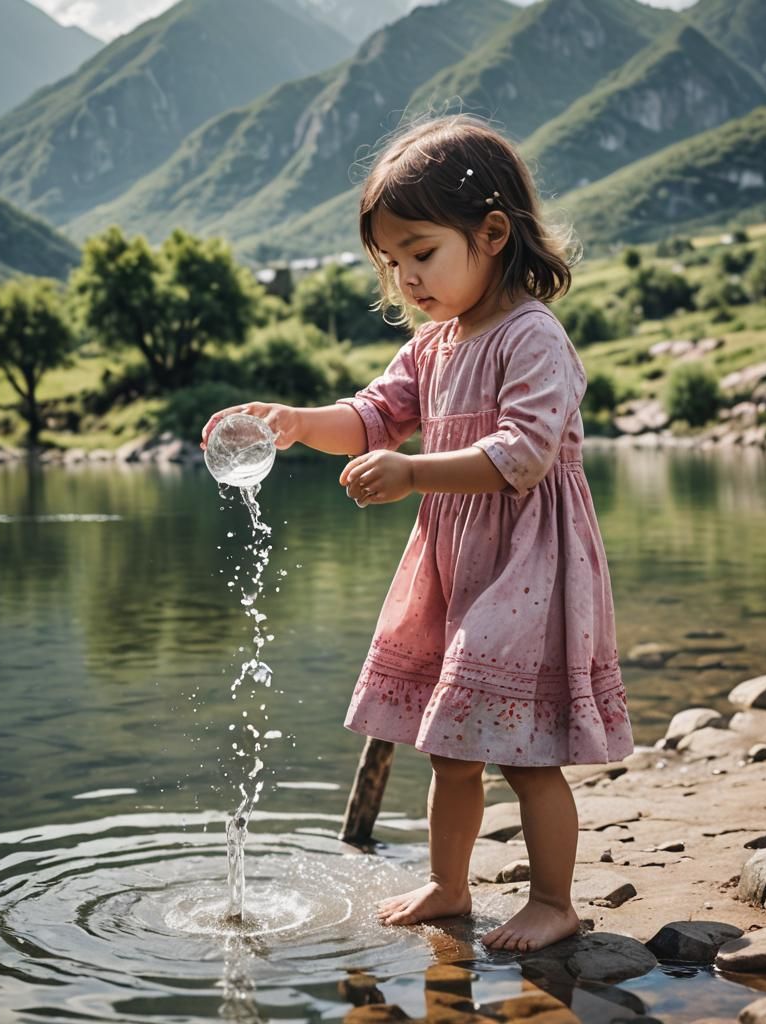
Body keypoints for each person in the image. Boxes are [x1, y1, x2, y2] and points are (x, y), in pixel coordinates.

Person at [201, 114, 633, 952]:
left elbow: (524, 454)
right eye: (392, 263)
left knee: (526, 755)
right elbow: (371, 417)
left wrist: (413, 473)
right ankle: (447, 883)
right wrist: (293, 421)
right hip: (455, 562)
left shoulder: (532, 337)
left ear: (493, 233)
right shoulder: (434, 346)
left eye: (422, 253)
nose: (406, 279)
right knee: (450, 745)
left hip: (527, 563)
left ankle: (554, 900)